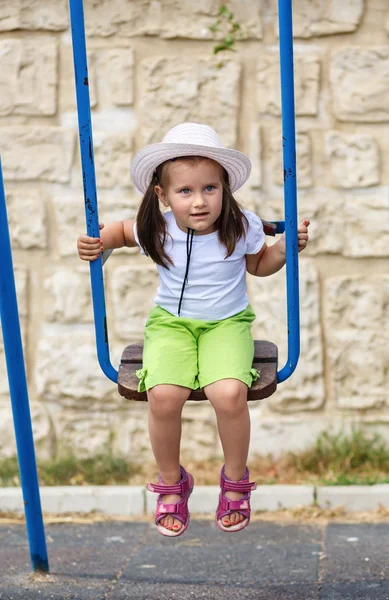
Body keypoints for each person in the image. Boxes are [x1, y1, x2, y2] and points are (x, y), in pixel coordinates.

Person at [77, 122, 310, 537]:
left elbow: (259, 266)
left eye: (210, 189)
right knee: (163, 396)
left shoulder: (241, 226)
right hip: (171, 325)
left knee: (229, 393)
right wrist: (97, 243)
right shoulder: (157, 228)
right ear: (163, 196)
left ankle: (235, 480)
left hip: (226, 323)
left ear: (225, 188)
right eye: (185, 192)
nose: (199, 202)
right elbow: (117, 232)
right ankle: (172, 482)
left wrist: (281, 251)